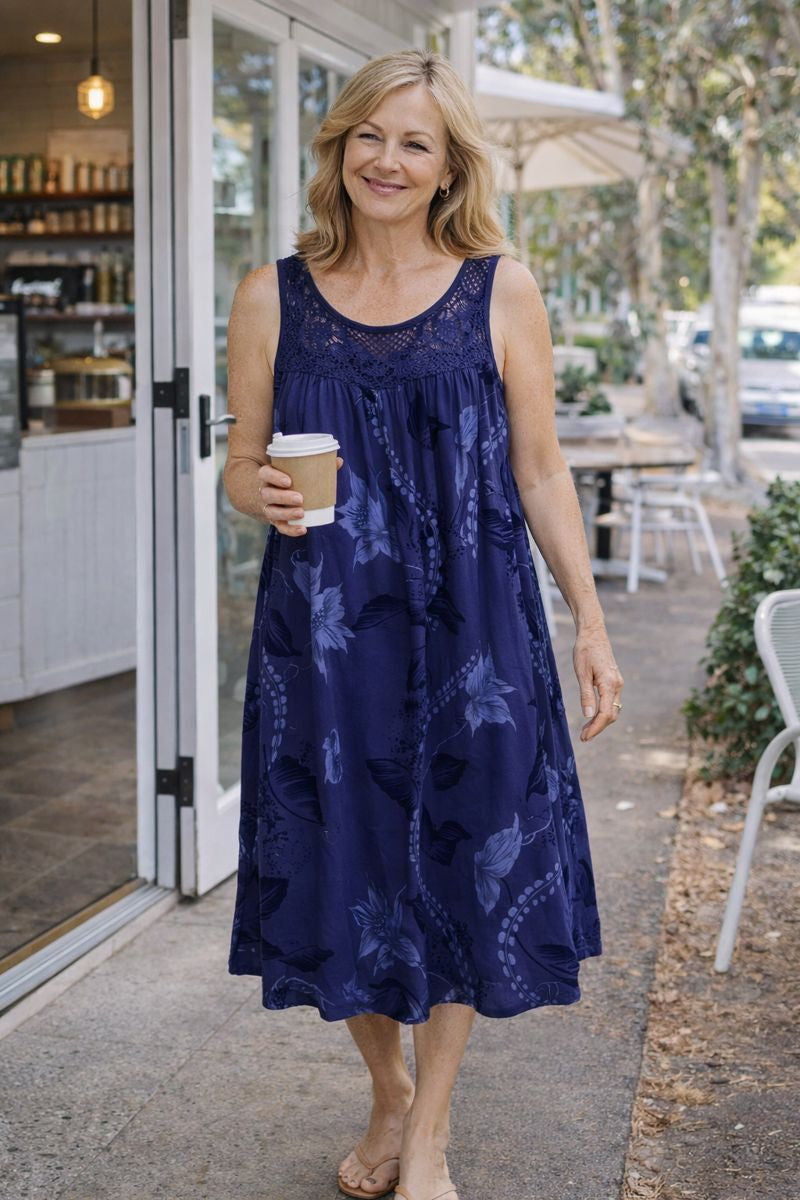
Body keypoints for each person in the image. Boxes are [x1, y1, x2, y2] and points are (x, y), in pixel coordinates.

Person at [224, 47, 624, 1200]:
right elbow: (239, 463)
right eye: (368, 136)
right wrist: (264, 493)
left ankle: (432, 1129)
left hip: (474, 632)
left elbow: (540, 472)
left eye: (414, 143)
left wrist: (587, 624)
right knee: (336, 861)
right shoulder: (271, 295)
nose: (386, 161)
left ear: (448, 166)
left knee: (463, 867)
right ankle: (387, 1092)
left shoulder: (500, 289)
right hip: (326, 636)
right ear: (338, 146)